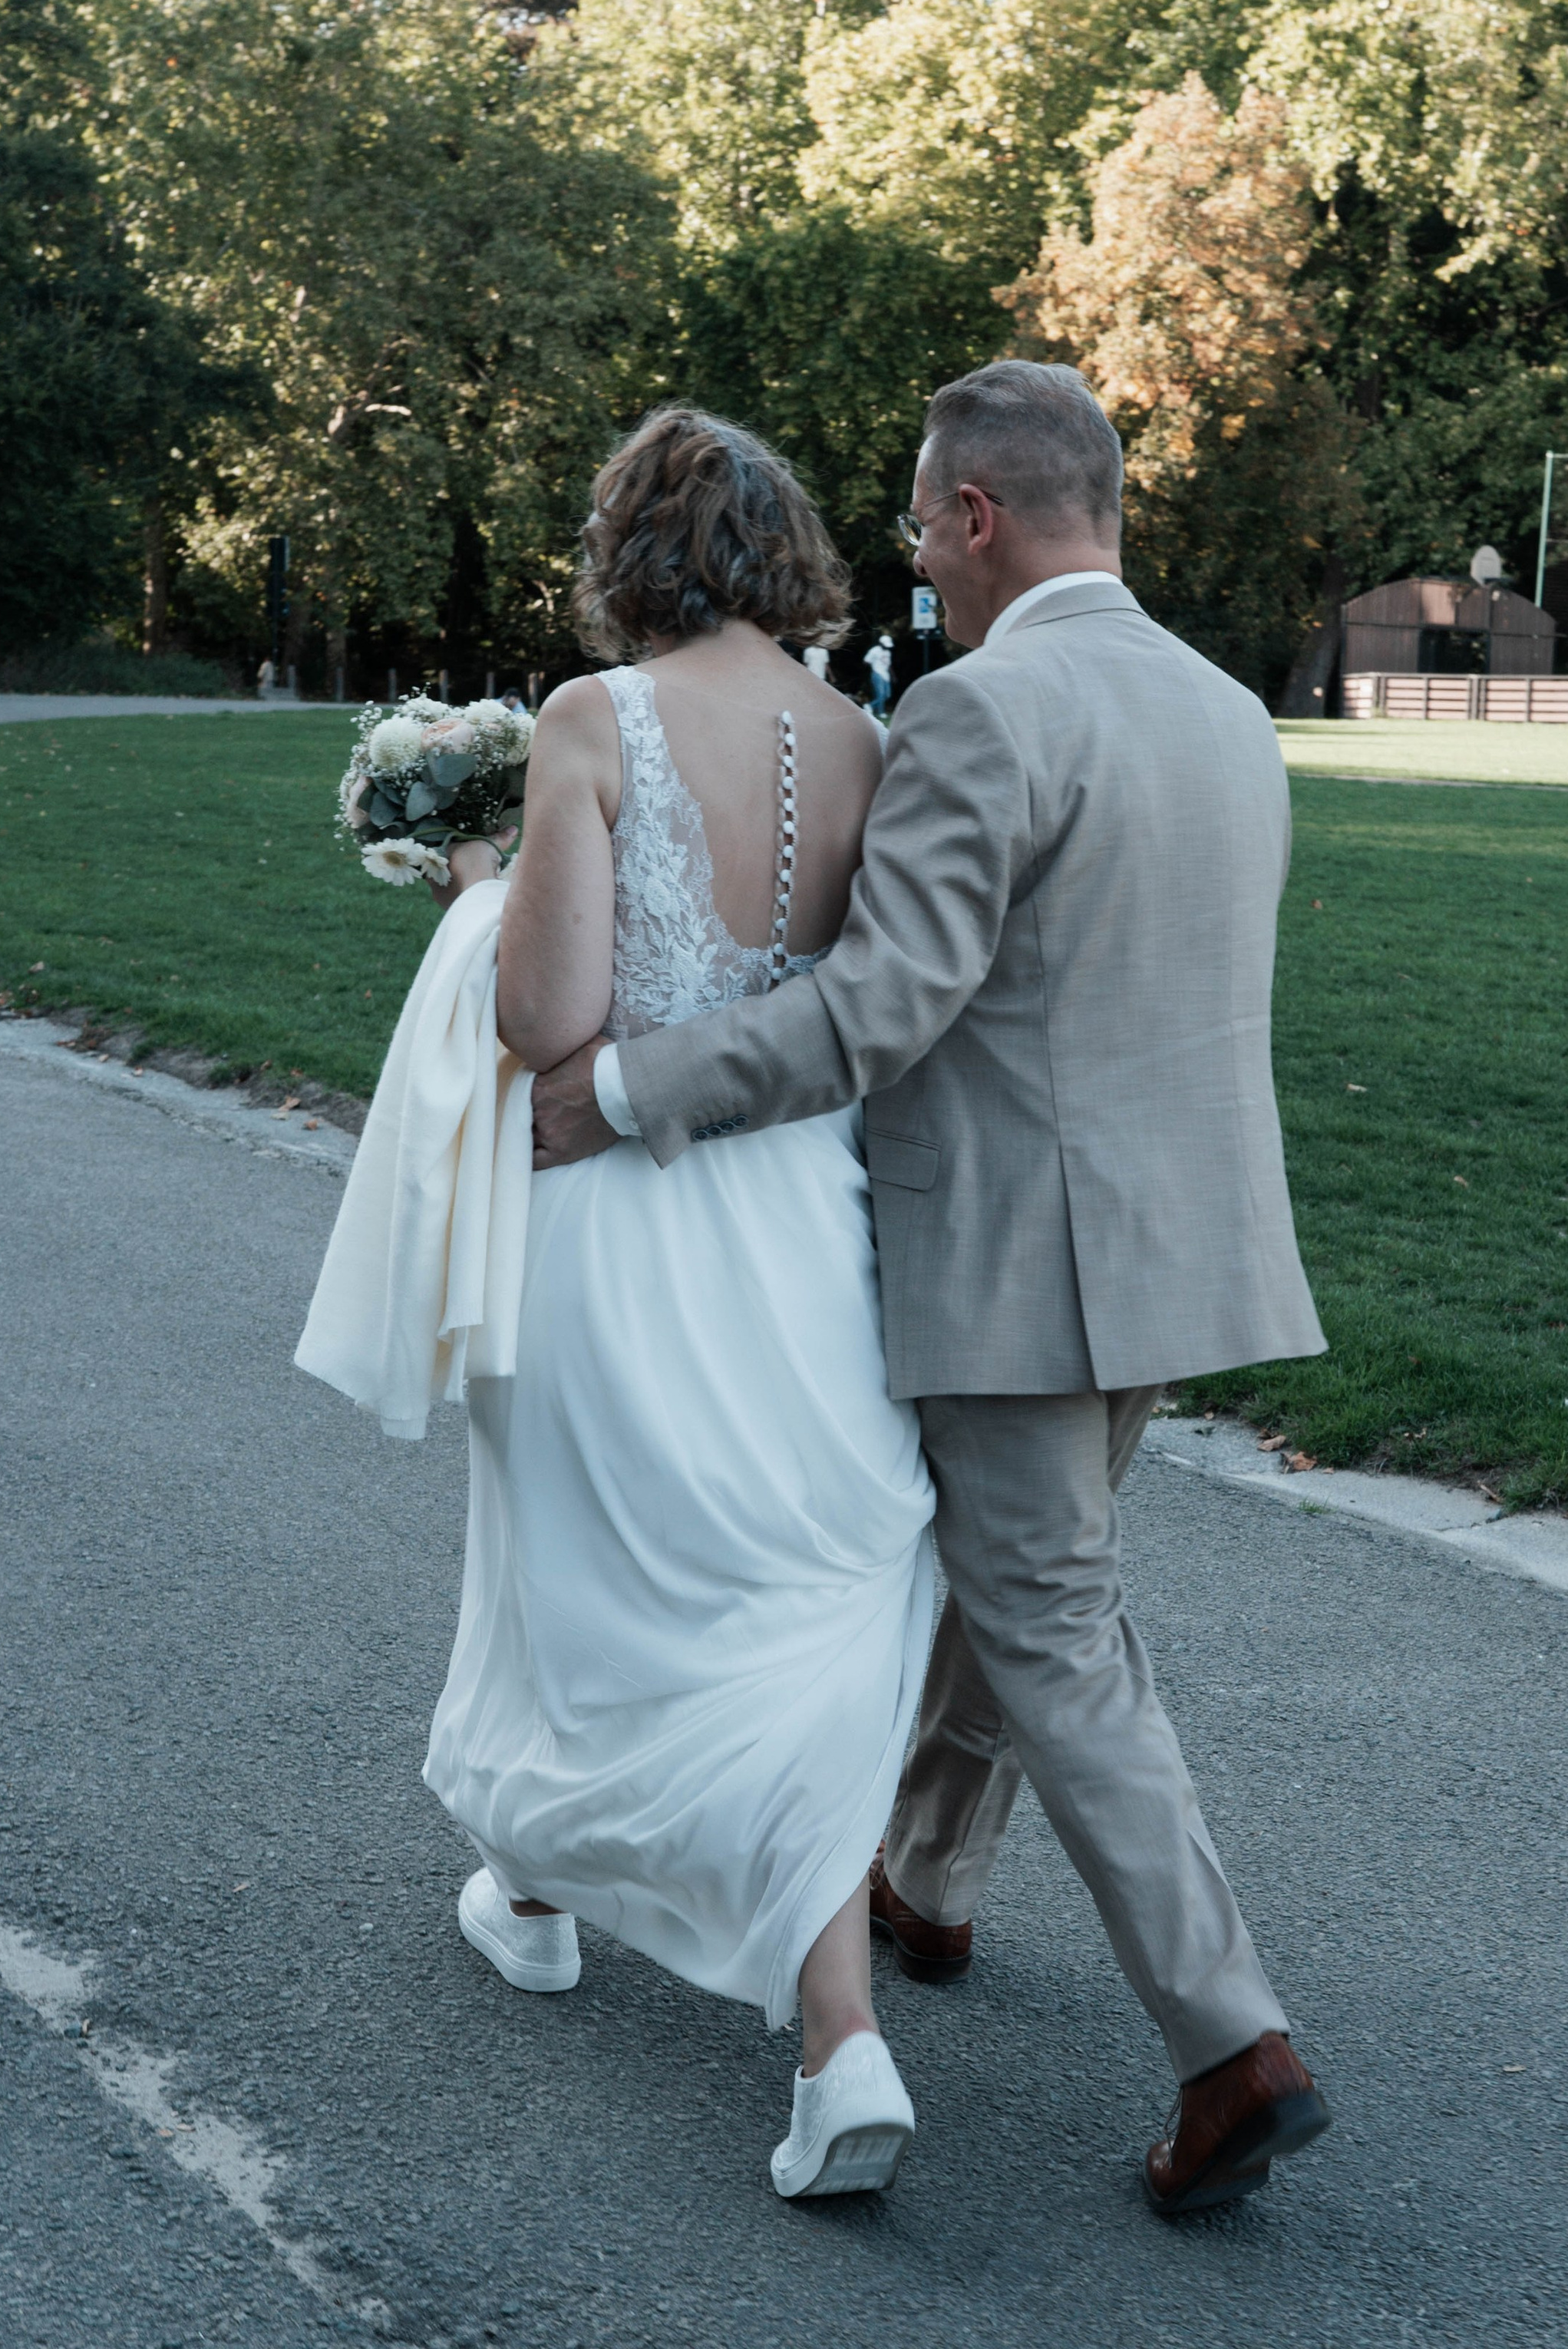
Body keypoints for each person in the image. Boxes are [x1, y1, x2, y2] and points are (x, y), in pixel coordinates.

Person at [533, 360, 1334, 2216]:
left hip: (1020, 1262)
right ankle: (930, 1883)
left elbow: (882, 1005)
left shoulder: (983, 707)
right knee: (1011, 1580)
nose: (914, 562)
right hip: (1188, 1251)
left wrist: (631, 1091)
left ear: (974, 516)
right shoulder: (1223, 705)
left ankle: (1232, 2042)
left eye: (917, 526)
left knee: (1050, 1623)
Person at [421, 410, 936, 2199]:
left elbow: (543, 1020)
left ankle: (536, 1891)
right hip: (802, 1226)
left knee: (581, 1572)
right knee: (788, 1593)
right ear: (785, 547)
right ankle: (835, 2039)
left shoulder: (593, 719)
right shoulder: (862, 739)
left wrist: (472, 891)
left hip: (616, 1219)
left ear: (625, 545)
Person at [863, 629, 893, 720]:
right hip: (877, 673)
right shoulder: (874, 650)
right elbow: (866, 661)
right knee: (881, 695)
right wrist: (874, 666)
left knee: (887, 695)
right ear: (881, 643)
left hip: (886, 675)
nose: (886, 647)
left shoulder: (888, 652)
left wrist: (893, 676)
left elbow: (889, 665)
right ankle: (880, 712)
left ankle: (870, 706)